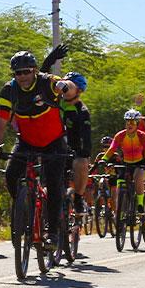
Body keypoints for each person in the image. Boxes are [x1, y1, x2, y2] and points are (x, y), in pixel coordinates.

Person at [0, 50, 82, 244]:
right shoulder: (9, 90)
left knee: (54, 184)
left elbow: (70, 89)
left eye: (26, 72)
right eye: (18, 73)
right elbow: (0, 119)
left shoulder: (47, 82)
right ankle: (24, 210)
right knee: (11, 175)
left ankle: (52, 233)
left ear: (35, 71)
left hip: (54, 142)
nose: (22, 76)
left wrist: (66, 86)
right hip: (26, 141)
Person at [102, 109, 145, 224]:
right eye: (127, 122)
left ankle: (140, 204)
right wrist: (104, 159)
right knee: (119, 186)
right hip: (126, 163)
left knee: (138, 177)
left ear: (137, 124)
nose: (129, 125)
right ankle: (120, 211)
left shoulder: (142, 135)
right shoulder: (120, 135)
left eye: (132, 122)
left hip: (139, 162)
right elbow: (112, 148)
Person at [59, 73, 92, 214]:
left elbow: (86, 136)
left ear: (78, 91)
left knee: (82, 162)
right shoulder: (55, 102)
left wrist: (85, 152)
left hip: (73, 149)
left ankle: (78, 198)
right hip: (54, 147)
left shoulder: (82, 111)